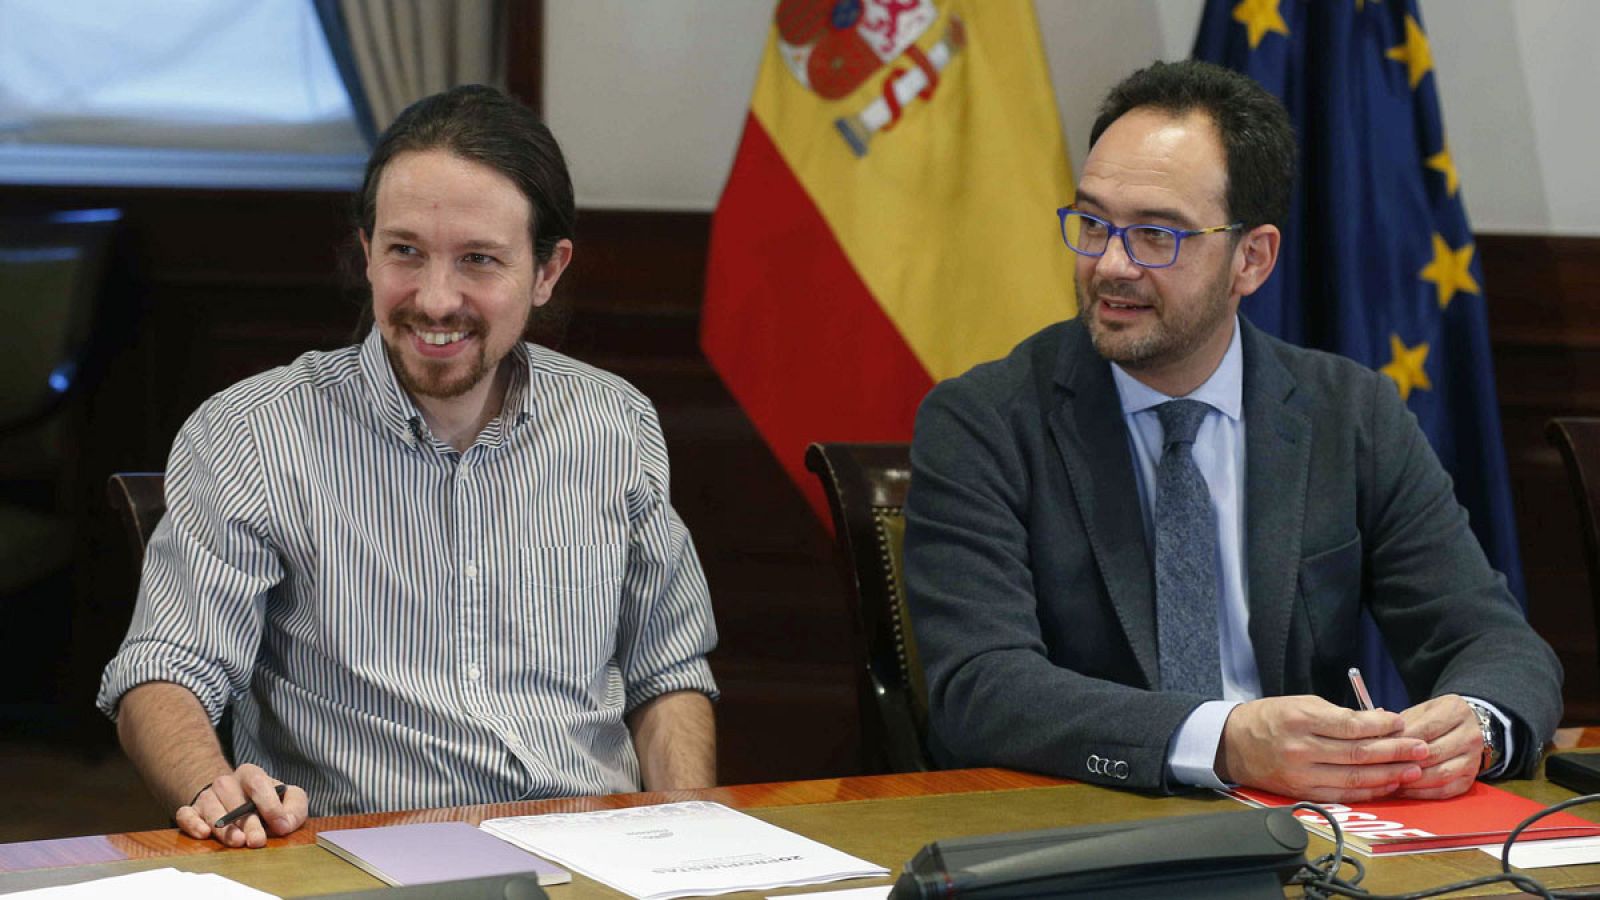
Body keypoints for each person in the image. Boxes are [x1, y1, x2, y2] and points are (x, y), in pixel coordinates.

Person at [903, 60, 1560, 803]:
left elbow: (1497, 642)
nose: (1111, 265)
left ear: (1252, 258)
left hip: (1314, 839)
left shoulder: (1349, 414)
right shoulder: (985, 421)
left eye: (1157, 235)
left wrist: (1473, 722)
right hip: (1084, 829)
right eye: (1093, 224)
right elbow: (980, 688)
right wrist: (1225, 739)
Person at [98, 85, 718, 848]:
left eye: (479, 261)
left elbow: (668, 676)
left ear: (548, 271)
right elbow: (162, 672)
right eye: (405, 253)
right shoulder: (252, 435)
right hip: (359, 856)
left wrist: (688, 839)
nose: (434, 298)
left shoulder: (615, 424)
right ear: (366, 252)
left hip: (596, 851)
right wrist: (214, 792)